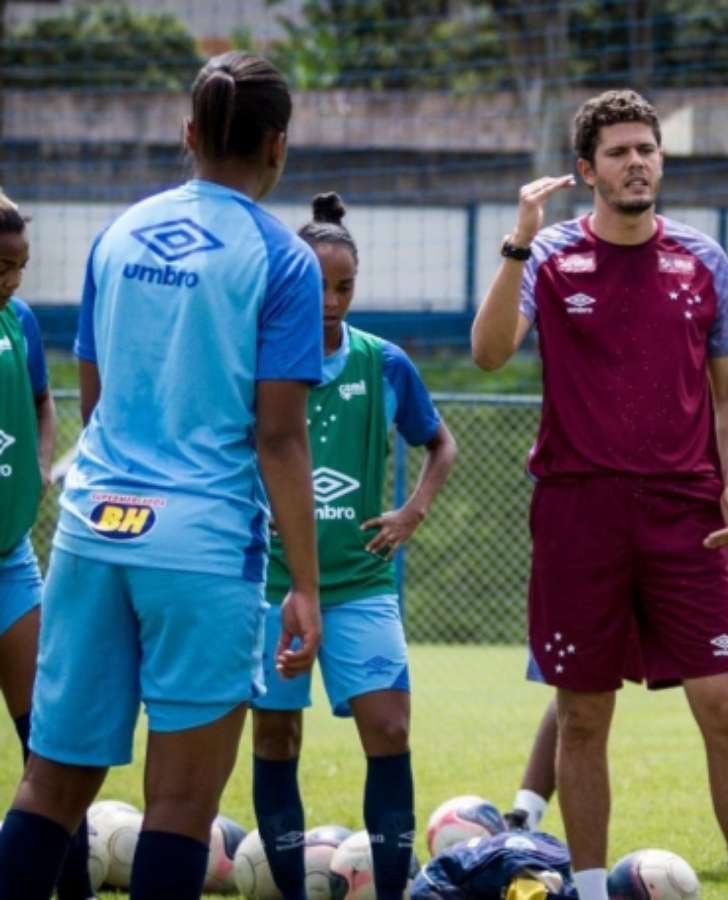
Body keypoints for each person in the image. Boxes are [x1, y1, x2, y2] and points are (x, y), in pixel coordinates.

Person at [0, 52, 324, 900]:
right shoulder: (282, 260)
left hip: (89, 533)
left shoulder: (118, 234)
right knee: (179, 805)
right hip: (200, 546)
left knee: (48, 786)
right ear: (279, 147)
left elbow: (96, 397)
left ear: (188, 135)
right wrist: (309, 588)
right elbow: (280, 440)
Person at [471, 88, 728, 900]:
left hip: (687, 518)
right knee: (582, 717)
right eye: (618, 152)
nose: (637, 163)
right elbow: (489, 353)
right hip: (578, 515)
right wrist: (515, 244)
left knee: (726, 708)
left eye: (647, 149)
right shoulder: (550, 257)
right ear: (586, 169)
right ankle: (593, 889)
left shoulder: (704, 261)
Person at [250, 192, 457, 900]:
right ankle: (288, 889)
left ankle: (394, 891)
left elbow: (440, 443)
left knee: (390, 730)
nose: (331, 301)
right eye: (318, 286)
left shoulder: (384, 362)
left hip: (362, 583)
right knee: (276, 739)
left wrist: (412, 511)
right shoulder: (260, 361)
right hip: (273, 585)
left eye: (345, 287)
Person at [505, 347, 728, 836]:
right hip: (618, 529)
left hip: (707, 536)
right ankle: (524, 815)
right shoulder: (600, 321)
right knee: (584, 683)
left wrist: (715, 507)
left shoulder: (707, 323)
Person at [0, 193, 97, 900]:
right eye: (1, 267)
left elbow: (40, 399)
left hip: (10, 563)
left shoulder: (21, 322)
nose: (12, 281)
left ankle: (78, 890)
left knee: (53, 738)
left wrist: (40, 459)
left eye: (20, 267)